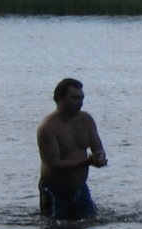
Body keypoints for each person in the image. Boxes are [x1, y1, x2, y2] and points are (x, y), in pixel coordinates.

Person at [37, 77, 107, 220]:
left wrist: (100, 158)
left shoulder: (86, 120)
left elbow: (98, 150)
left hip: (80, 187)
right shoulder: (48, 127)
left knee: (89, 224)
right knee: (56, 228)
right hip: (54, 190)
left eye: (82, 98)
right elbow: (54, 165)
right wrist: (87, 162)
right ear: (59, 99)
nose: (80, 102)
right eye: (75, 98)